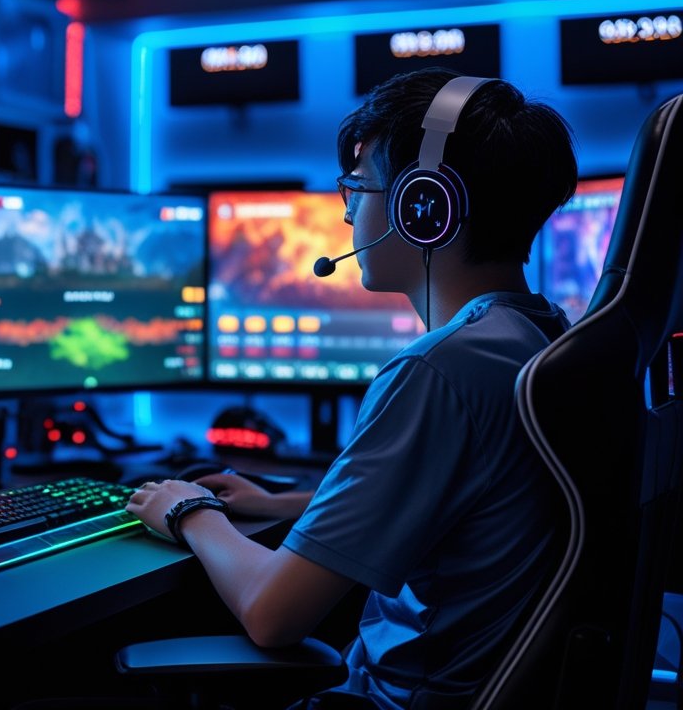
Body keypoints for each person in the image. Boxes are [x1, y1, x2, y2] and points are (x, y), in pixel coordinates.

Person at [127, 67, 579, 710]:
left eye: (358, 188)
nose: (345, 212)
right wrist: (288, 505)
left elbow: (270, 615)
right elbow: (466, 509)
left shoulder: (440, 368)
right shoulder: (539, 336)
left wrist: (188, 510)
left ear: (424, 206)